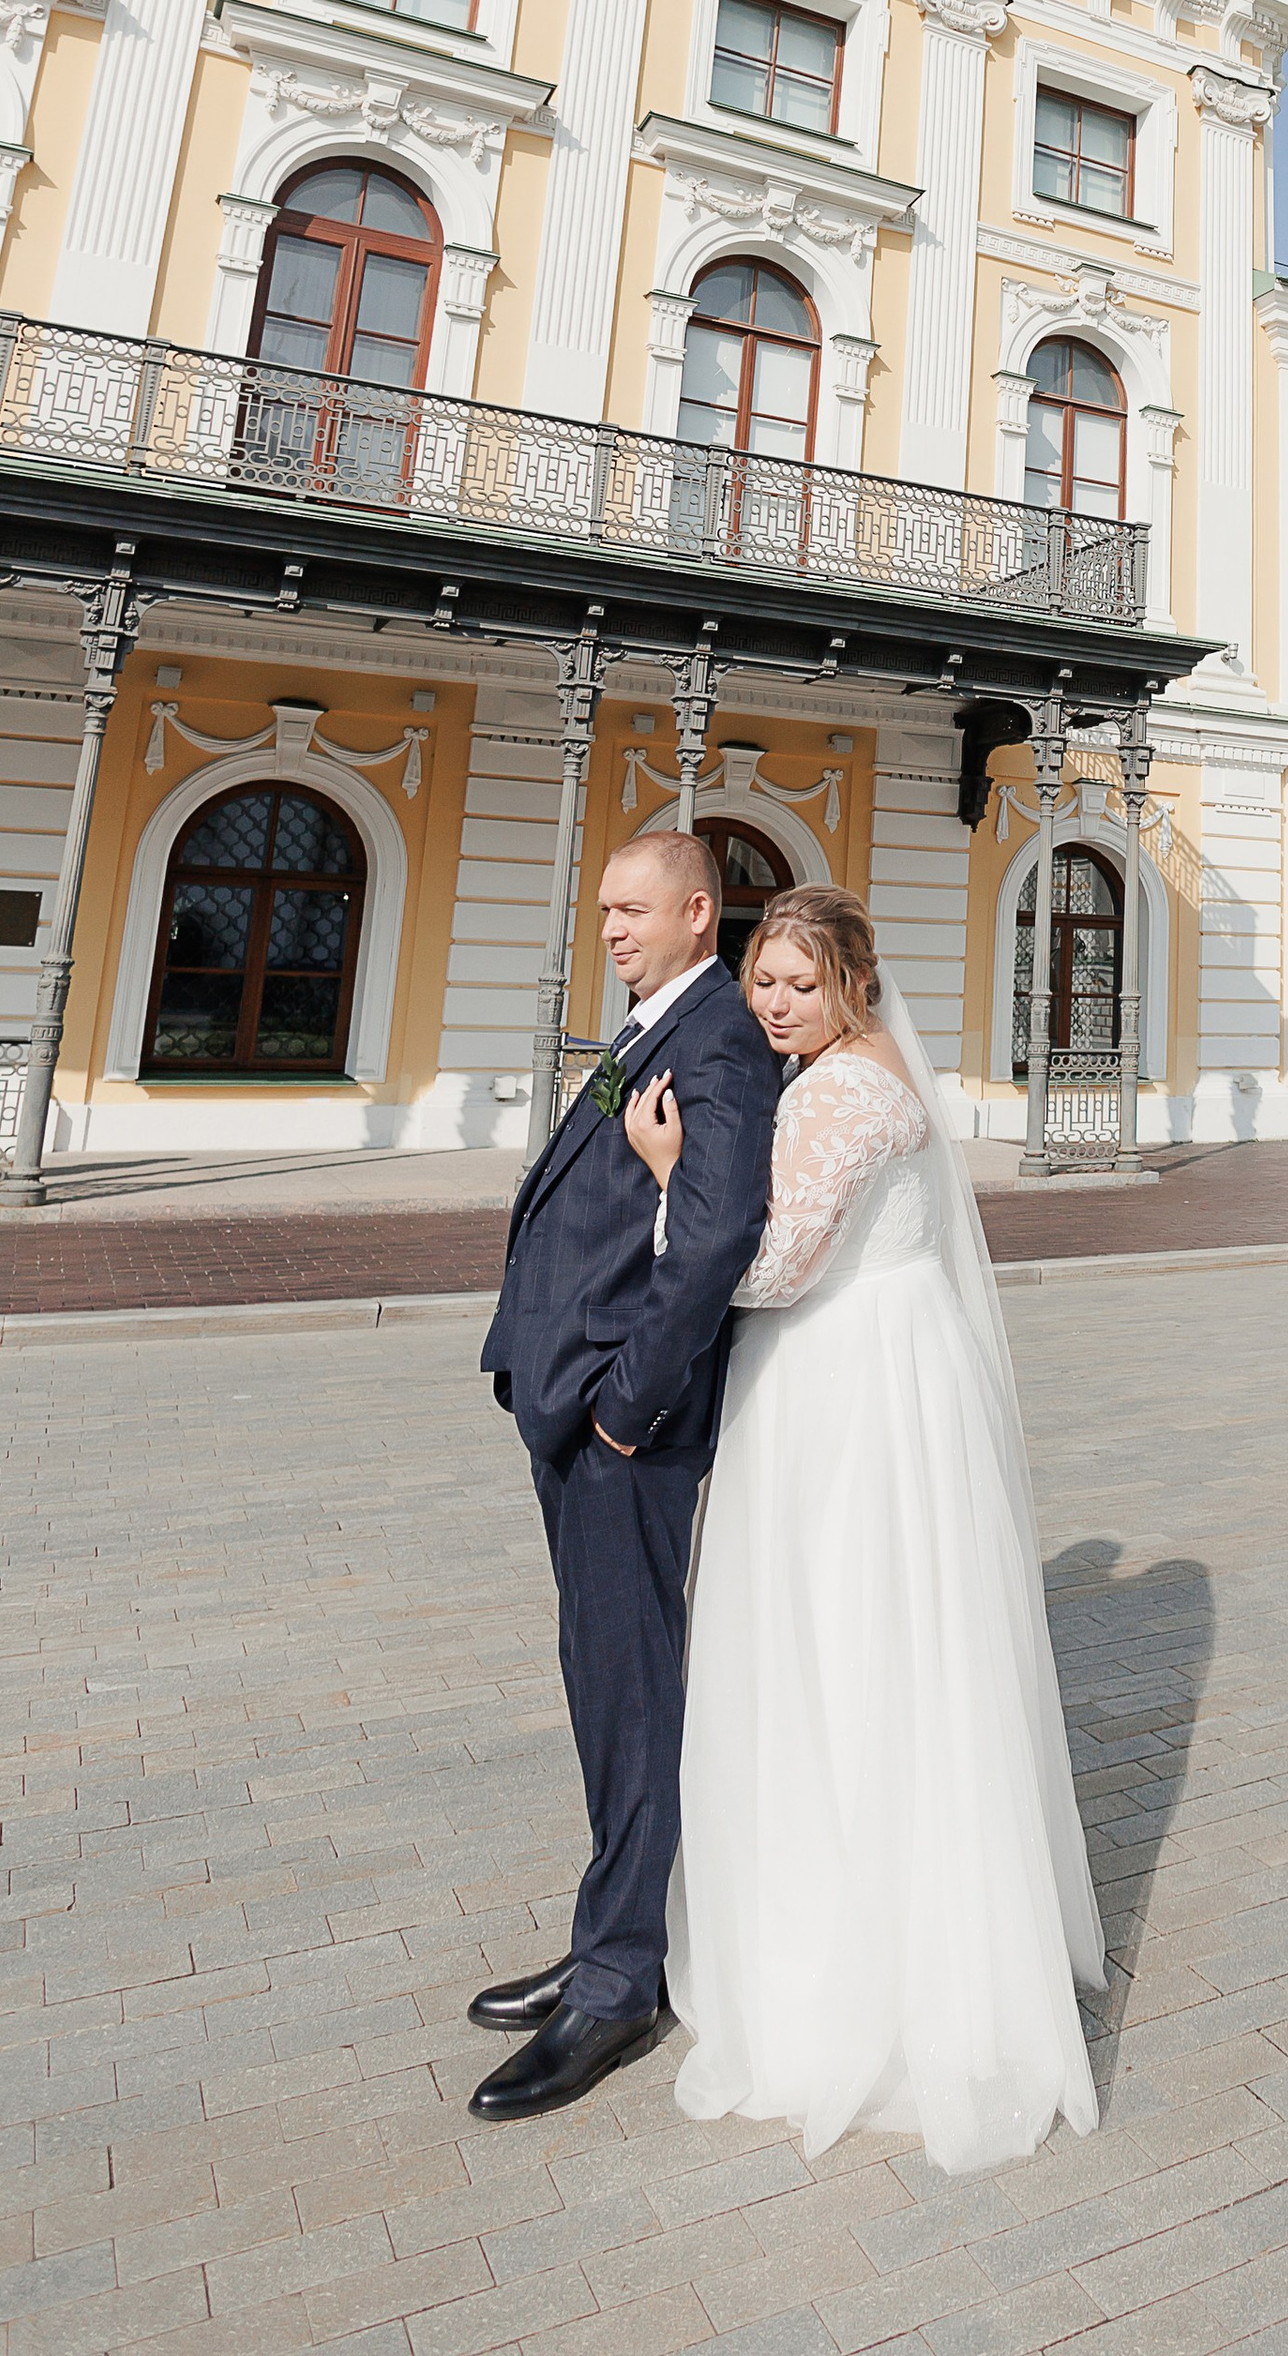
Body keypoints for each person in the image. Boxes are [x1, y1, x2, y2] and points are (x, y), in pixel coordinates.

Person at [626, 883, 1105, 2174]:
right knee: (907, 1649)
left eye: (796, 983)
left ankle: (844, 1971)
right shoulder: (878, 1066)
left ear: (851, 981)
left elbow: (777, 1267)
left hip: (840, 1390)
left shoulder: (839, 1092)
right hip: (901, 1371)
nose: (773, 1004)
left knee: (833, 1652)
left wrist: (676, 1182)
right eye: (762, 981)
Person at [469, 829, 786, 2125]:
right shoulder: (658, 1021)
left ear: (698, 913)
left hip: (622, 1434)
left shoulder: (713, 1037)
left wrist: (624, 1411)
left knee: (630, 1689)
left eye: (631, 907)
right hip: (569, 1404)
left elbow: (711, 1235)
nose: (607, 926)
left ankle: (620, 1979)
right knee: (602, 1683)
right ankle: (616, 1918)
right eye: (602, 905)